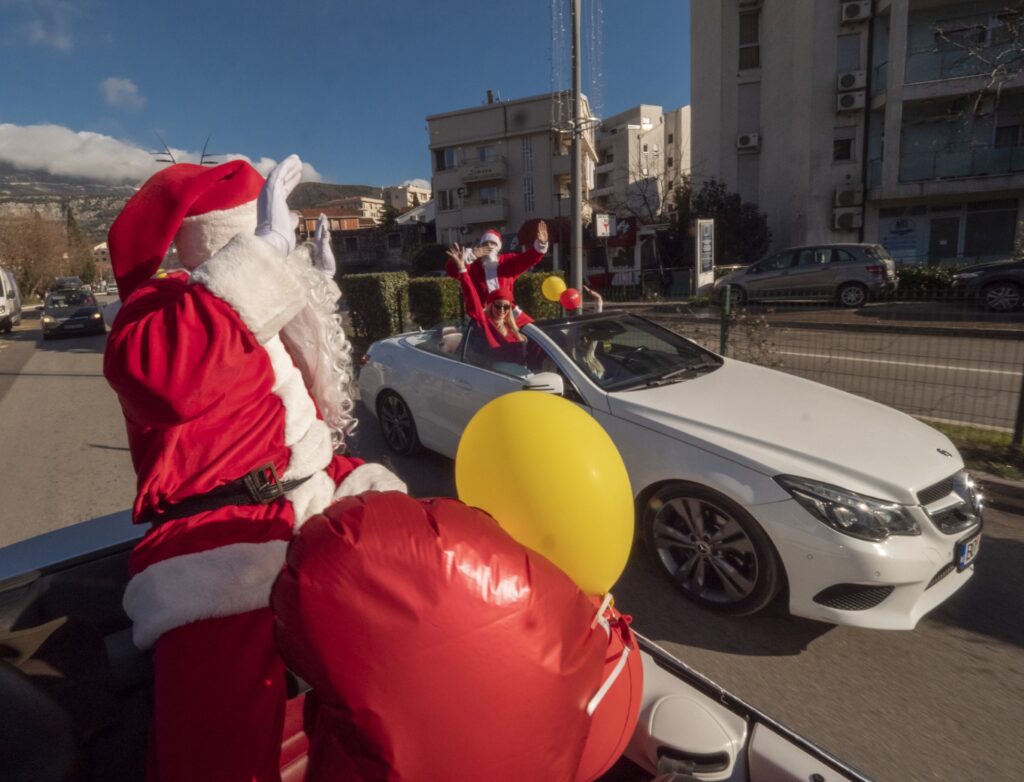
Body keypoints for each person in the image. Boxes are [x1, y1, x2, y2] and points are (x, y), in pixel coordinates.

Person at [103, 156, 404, 782]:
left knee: (384, 685)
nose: (285, 242)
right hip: (219, 552)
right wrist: (262, 258)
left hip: (308, 501)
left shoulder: (251, 307)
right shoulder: (160, 309)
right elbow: (165, 380)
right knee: (219, 755)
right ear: (228, 243)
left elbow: (298, 415)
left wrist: (314, 282)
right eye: (271, 233)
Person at [445, 221, 549, 327]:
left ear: (498, 247)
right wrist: (471, 256)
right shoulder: (474, 266)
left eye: (492, 243)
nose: (489, 246)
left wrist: (541, 244)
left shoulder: (507, 261)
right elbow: (453, 270)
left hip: (507, 313)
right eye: (485, 244)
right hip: (483, 317)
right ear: (480, 246)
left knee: (531, 333)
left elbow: (528, 258)